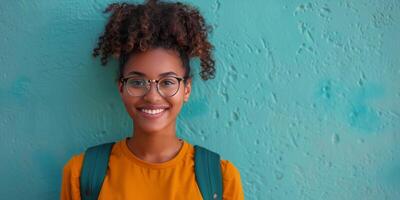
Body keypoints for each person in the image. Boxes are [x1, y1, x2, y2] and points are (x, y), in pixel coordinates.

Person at [60, 0, 244, 199]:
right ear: (121, 87)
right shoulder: (82, 174)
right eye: (137, 82)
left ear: (187, 89)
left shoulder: (220, 178)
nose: (152, 96)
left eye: (167, 82)